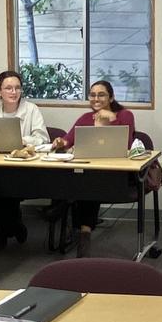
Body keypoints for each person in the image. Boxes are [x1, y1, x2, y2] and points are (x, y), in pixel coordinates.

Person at [51, 79, 137, 256]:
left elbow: (125, 145)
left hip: (116, 174)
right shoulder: (84, 118)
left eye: (101, 94)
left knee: (89, 183)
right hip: (88, 171)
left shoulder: (124, 115)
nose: (96, 98)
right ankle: (84, 232)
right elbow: (68, 139)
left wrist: (106, 121)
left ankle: (81, 230)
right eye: (92, 95)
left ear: (111, 97)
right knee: (81, 180)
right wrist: (61, 142)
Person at [0, 69, 50, 249]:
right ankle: (11, 227)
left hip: (25, 168)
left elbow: (43, 138)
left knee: (7, 189)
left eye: (17, 88)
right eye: (8, 88)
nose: (13, 92)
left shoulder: (31, 110)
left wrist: (22, 141)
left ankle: (4, 231)